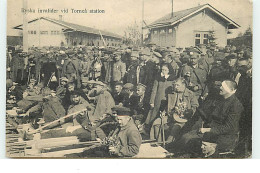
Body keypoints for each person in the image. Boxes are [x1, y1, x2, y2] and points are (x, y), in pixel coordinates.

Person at [171, 80, 243, 157]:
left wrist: (207, 130)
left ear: (231, 90)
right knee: (185, 137)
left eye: (223, 86)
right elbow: (208, 115)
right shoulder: (220, 99)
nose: (220, 88)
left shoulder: (236, 105)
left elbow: (229, 127)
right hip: (210, 131)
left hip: (223, 137)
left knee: (189, 139)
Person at [145, 64, 176, 128]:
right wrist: (152, 101)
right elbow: (154, 91)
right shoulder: (158, 79)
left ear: (169, 71)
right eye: (162, 70)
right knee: (154, 115)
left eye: (165, 70)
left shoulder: (173, 79)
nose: (163, 71)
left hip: (168, 100)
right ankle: (150, 128)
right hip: (158, 100)